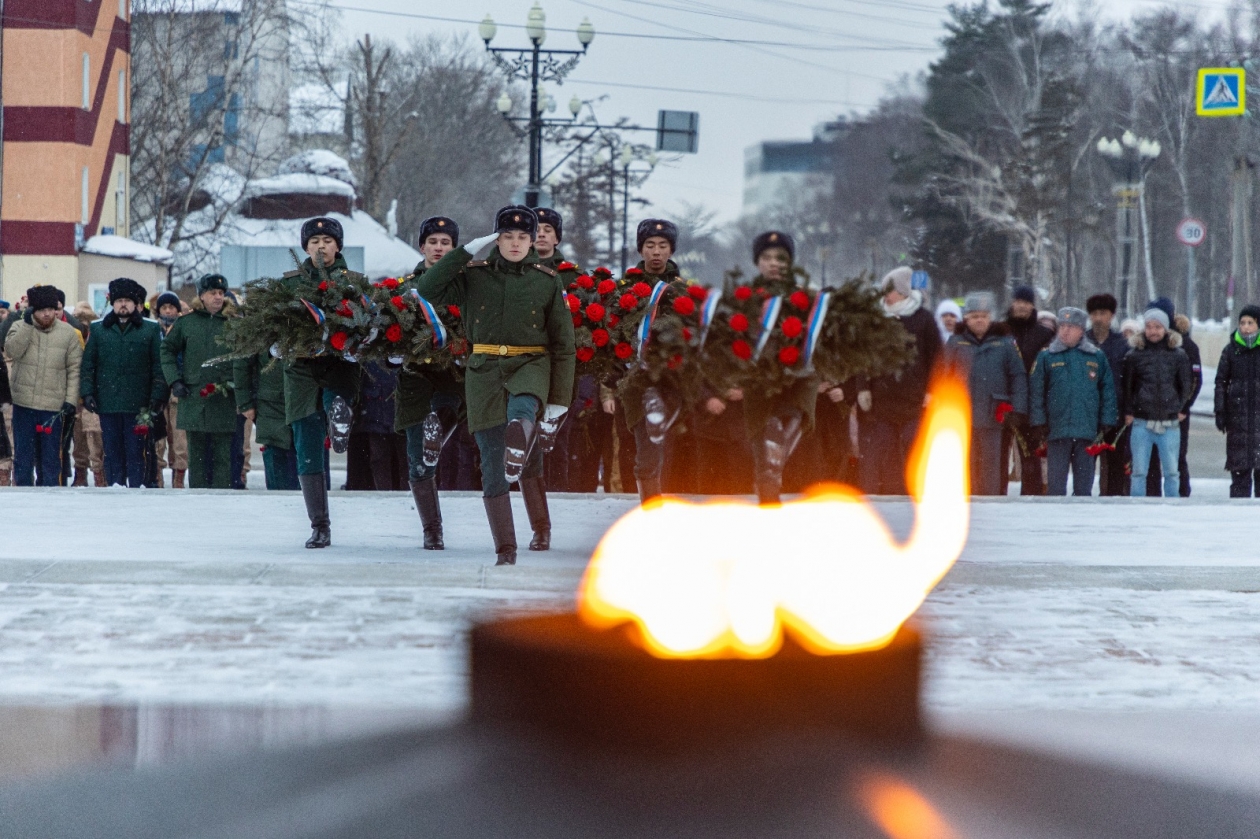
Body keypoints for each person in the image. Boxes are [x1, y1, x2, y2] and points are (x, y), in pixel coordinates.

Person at [413, 205, 575, 565]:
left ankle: (540, 524)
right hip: (484, 370)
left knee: (522, 414)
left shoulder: (546, 280)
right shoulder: (475, 275)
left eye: (522, 237)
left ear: (533, 240)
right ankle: (506, 548)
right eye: (507, 236)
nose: (515, 243)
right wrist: (466, 250)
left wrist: (559, 401)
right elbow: (428, 287)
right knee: (492, 461)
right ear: (496, 239)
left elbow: (564, 345)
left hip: (531, 362)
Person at [279, 216, 364, 548]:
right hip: (300, 368)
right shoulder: (289, 284)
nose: (320, 246)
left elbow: (374, 319)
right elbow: (271, 323)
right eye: (313, 242)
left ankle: (338, 418)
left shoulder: (354, 283)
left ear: (338, 246)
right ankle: (320, 524)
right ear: (305, 247)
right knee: (306, 446)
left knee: (336, 403)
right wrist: (276, 343)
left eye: (327, 241)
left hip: (339, 363)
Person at [396, 216, 466, 550]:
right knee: (418, 459)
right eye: (433, 242)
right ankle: (432, 529)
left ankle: (437, 427)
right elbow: (387, 331)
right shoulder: (405, 287)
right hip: (415, 380)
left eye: (446, 243)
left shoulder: (467, 284)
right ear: (422, 246)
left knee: (445, 414)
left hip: (452, 376)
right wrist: (390, 355)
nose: (439, 248)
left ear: (454, 249)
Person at [610, 218, 690, 503]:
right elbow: (611, 335)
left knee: (656, 452)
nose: (656, 252)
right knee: (640, 449)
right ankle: (646, 509)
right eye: (650, 245)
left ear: (671, 250)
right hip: (630, 381)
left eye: (662, 246)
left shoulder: (683, 290)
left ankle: (653, 511)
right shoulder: (622, 289)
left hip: (668, 383)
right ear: (641, 249)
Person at [856, 267, 942, 495]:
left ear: (903, 292)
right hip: (882, 401)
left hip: (914, 401)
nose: (885, 295)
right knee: (880, 451)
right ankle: (883, 494)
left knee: (913, 449)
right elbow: (863, 356)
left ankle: (914, 493)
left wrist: (932, 390)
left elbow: (936, 358)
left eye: (890, 291)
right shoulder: (876, 320)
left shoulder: (923, 319)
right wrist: (863, 387)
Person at [80, 278, 167, 488]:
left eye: (128, 300)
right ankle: (115, 489)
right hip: (108, 403)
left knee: (137, 452)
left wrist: (157, 396)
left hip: (139, 405)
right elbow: (88, 365)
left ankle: (139, 489)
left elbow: (159, 366)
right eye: (119, 300)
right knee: (112, 452)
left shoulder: (150, 329)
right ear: (112, 302)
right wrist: (87, 393)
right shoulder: (99, 329)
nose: (123, 305)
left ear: (136, 303)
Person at [1029, 307, 1117, 496]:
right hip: (1056, 431)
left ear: (1081, 330)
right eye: (1062, 326)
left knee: (1083, 489)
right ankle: (1056, 523)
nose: (1065, 331)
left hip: (1086, 431)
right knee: (1056, 487)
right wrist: (1038, 421)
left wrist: (1107, 419)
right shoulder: (1046, 357)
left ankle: (1082, 523)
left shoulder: (1096, 357)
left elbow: (1107, 390)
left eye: (1071, 327)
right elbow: (1036, 392)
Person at [945, 291, 1027, 496]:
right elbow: (943, 377)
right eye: (974, 316)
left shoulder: (1005, 343)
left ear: (991, 317)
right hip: (962, 415)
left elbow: (1017, 376)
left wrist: (1017, 408)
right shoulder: (955, 343)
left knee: (992, 466)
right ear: (966, 318)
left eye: (983, 315)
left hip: (994, 415)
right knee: (965, 465)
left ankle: (991, 505)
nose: (979, 320)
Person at [160, 274, 237, 489]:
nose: (218, 297)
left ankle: (222, 498)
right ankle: (198, 499)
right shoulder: (187, 323)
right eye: (212, 293)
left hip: (224, 399)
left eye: (221, 293)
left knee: (223, 457)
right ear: (201, 296)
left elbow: (245, 357)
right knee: (198, 457)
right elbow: (166, 350)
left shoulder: (233, 324)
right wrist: (174, 380)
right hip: (194, 398)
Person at [3, 285, 81, 485]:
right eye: (41, 309)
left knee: (51, 460)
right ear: (32, 310)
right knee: (23, 458)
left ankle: (51, 501)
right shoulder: (19, 327)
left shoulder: (69, 333)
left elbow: (74, 369)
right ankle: (24, 500)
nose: (47, 314)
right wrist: (28, 326)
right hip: (24, 404)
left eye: (50, 309)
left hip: (53, 408)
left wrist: (71, 400)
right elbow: (12, 351)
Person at [1123, 307, 1192, 498]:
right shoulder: (1134, 355)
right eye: (1149, 327)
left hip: (1169, 422)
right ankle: (1137, 506)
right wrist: (1129, 410)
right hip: (1142, 421)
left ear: (1166, 329)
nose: (1153, 331)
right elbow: (1127, 386)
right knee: (1138, 471)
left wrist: (1181, 407)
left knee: (1171, 471)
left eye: (1158, 327)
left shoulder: (1178, 355)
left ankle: (1173, 506)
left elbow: (1185, 384)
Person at [1144, 300, 1201, 498]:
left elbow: (1195, 380)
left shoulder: (1186, 345)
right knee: (1150, 458)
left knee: (1176, 458)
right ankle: (1152, 497)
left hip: (1177, 413)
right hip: (1150, 410)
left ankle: (1181, 495)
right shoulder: (1144, 344)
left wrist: (1184, 408)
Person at [1002, 285, 1053, 495]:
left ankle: (1031, 498)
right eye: (1019, 302)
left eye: (1027, 303)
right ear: (1012, 303)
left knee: (1030, 457)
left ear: (1033, 306)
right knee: (998, 457)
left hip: (1032, 405)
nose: (1022, 307)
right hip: (1003, 402)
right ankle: (995, 497)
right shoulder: (1000, 331)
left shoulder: (1044, 334)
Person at [234, 349, 299, 490]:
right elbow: (242, 362)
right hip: (271, 405)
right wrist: (245, 403)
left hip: (307, 403)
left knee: (308, 458)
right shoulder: (260, 329)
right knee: (277, 459)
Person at [1213, 306, 1260, 497]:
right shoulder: (1231, 350)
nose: (1246, 327)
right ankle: (1237, 521)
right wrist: (1220, 411)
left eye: (1250, 323)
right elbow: (1221, 382)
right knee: (1239, 479)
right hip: (1238, 423)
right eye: (1242, 323)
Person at [1085, 293, 1129, 496]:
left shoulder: (1122, 345)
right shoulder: (1083, 342)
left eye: (1102, 313)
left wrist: (1128, 409)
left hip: (1116, 414)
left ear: (1111, 316)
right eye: (1094, 313)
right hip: (1088, 414)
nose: (1098, 318)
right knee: (1085, 465)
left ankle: (1113, 504)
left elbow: (1130, 381)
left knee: (1114, 466)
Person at [152, 291, 188, 488]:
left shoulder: (183, 330)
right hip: (158, 388)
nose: (168, 310)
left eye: (171, 307)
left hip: (177, 388)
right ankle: (157, 475)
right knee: (158, 436)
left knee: (179, 437)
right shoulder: (152, 330)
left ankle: (179, 477)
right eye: (164, 307)